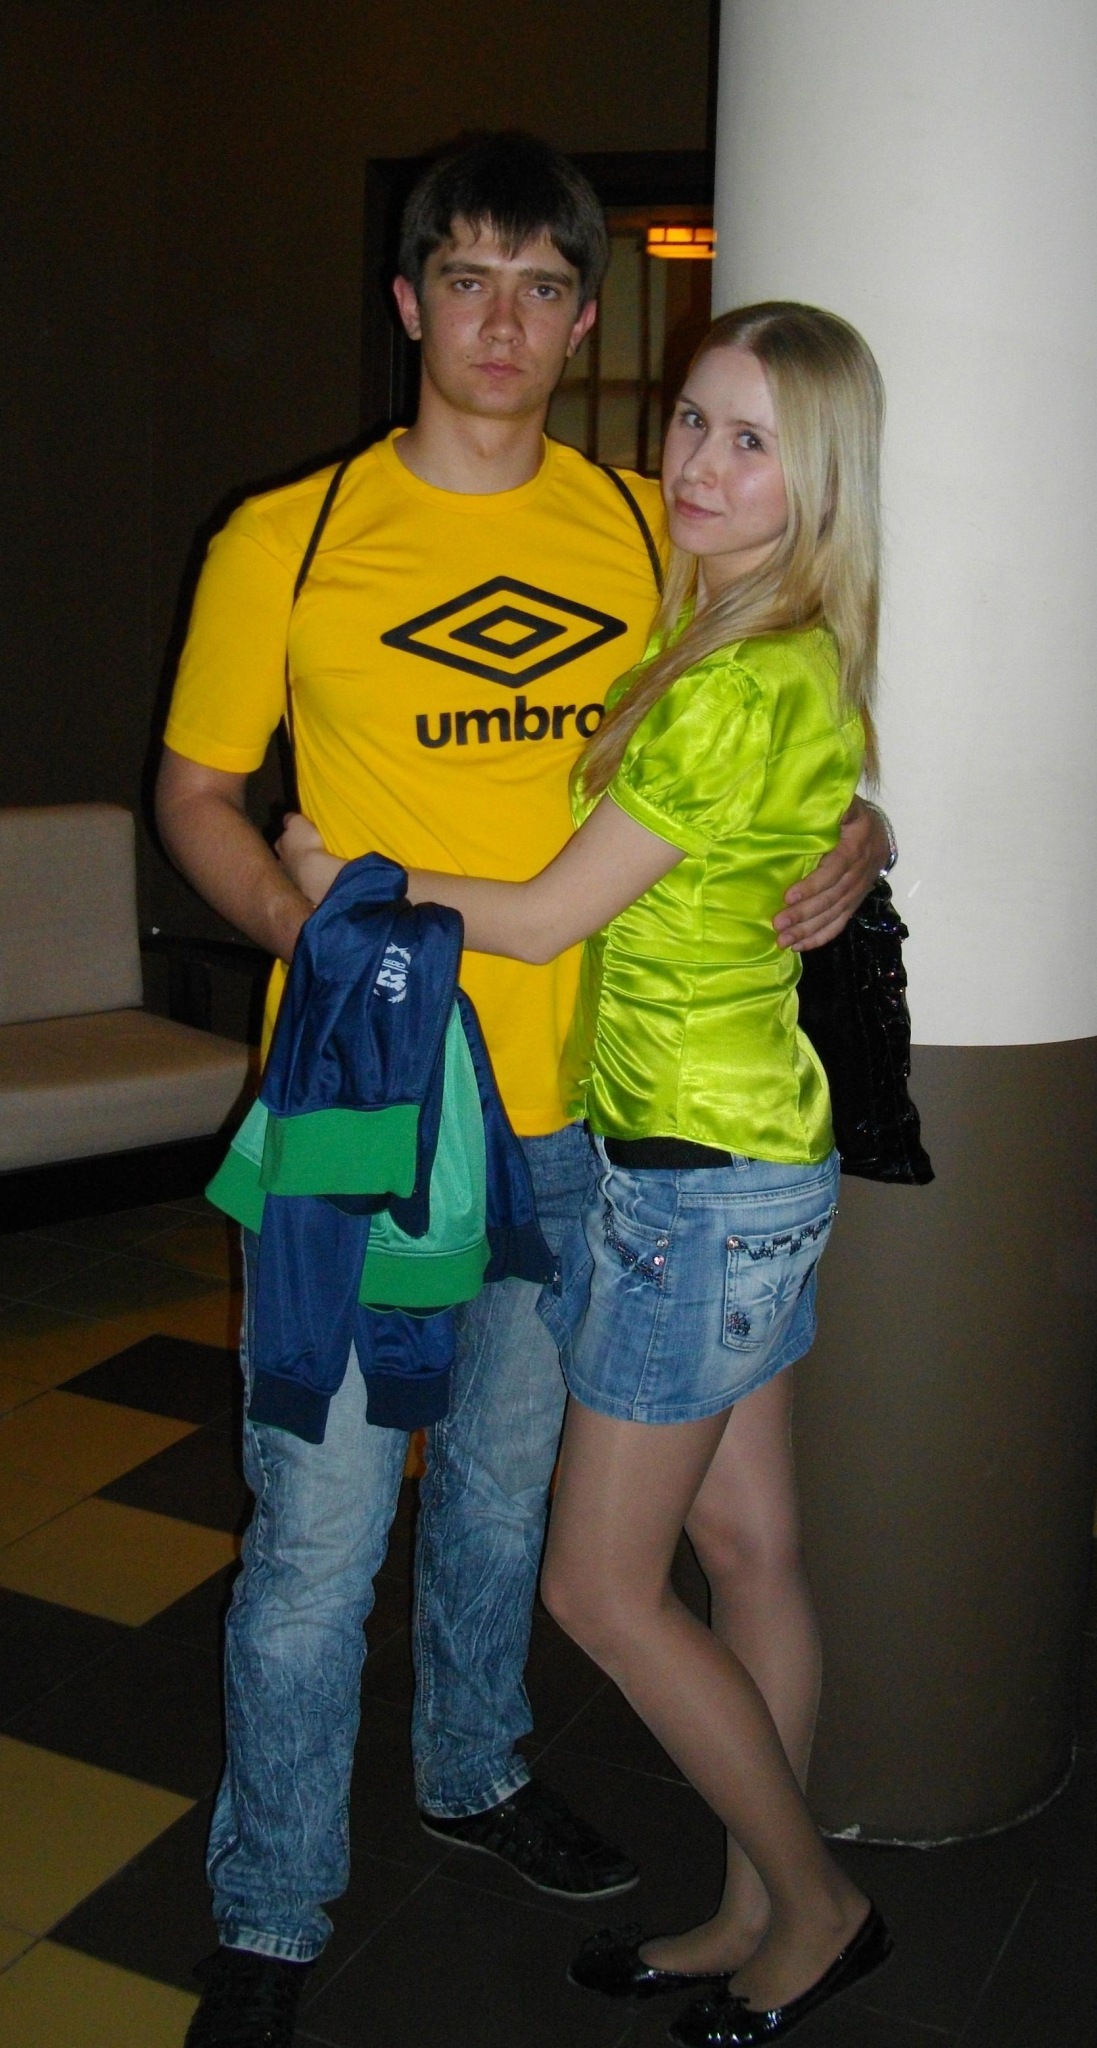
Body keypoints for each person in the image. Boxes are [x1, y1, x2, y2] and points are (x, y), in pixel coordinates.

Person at [156, 133, 889, 2048]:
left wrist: (860, 831)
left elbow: (771, 710)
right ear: (409, 303)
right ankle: (271, 1905)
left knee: (502, 1502)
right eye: (466, 279)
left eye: (543, 286)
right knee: (316, 1537)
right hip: (366, 1103)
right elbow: (198, 796)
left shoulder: (652, 528)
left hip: (595, 1130)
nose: (503, 321)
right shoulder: (286, 537)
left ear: (582, 320)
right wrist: (306, 928)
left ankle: (474, 1768)